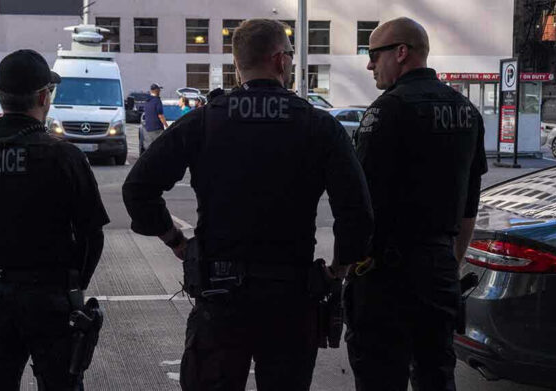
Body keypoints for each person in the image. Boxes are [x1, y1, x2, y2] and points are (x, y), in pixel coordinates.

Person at [123, 19, 373, 391]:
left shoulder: (204, 122)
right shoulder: (319, 127)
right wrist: (336, 271)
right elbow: (356, 214)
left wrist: (177, 240)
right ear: (279, 60)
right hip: (292, 299)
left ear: (238, 65)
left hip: (220, 297)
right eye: (289, 54)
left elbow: (138, 189)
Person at [0, 49, 109, 390]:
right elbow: (92, 233)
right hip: (51, 298)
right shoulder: (63, 155)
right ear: (44, 96)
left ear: (1, 96)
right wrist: (74, 282)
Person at [347, 17, 488, 391]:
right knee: (436, 375)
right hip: (439, 272)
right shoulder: (467, 112)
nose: (369, 64)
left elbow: (361, 206)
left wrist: (346, 267)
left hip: (386, 279)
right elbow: (468, 207)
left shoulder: (386, 110)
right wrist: (448, 263)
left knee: (380, 376)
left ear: (401, 53)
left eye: (374, 54)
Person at [142, 83, 168, 150]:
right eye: (159, 90)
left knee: (151, 148)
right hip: (157, 129)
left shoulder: (147, 101)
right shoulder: (157, 100)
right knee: (160, 148)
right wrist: (167, 126)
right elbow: (160, 115)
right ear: (156, 90)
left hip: (148, 129)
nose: (160, 91)